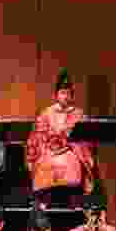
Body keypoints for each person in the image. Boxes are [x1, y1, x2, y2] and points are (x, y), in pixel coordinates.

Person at [25, 68, 95, 208]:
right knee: (45, 162)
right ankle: (44, 201)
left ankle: (73, 201)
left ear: (72, 95)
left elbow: (86, 138)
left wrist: (70, 142)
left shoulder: (79, 114)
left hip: (71, 150)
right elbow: (37, 136)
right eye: (62, 93)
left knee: (70, 162)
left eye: (68, 93)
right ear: (56, 94)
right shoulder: (46, 113)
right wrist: (49, 143)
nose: (65, 96)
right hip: (49, 150)